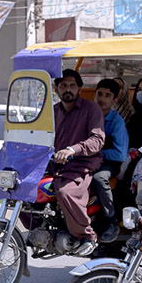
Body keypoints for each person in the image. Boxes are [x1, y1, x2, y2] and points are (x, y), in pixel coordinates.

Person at [50, 69, 105, 255]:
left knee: (65, 191)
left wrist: (73, 150)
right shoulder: (52, 112)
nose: (68, 89)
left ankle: (87, 235)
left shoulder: (91, 109)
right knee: (25, 188)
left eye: (72, 85)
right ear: (56, 89)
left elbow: (97, 140)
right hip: (54, 164)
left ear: (79, 89)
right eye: (63, 85)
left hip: (81, 164)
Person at [91, 78, 129, 243]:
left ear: (115, 100)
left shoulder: (116, 122)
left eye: (107, 95)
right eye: (99, 94)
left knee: (99, 178)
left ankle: (111, 220)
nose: (102, 99)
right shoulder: (88, 115)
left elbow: (120, 154)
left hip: (109, 163)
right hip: (87, 159)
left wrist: (98, 153)